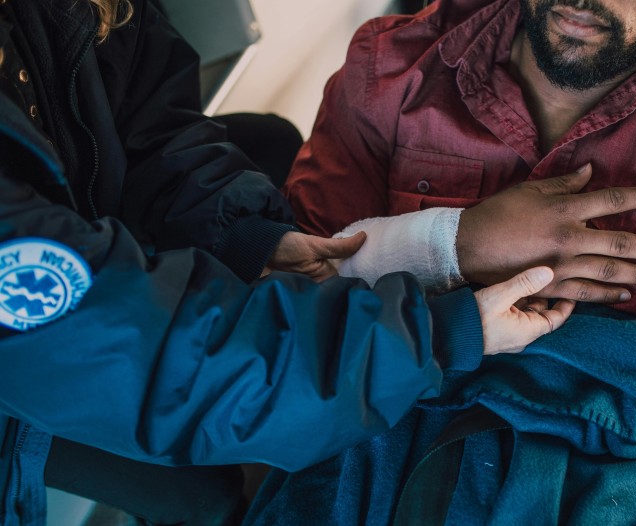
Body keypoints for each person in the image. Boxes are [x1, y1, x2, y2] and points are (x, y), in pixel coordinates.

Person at [0, 0, 596, 524]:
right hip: (45, 368)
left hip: (89, 281)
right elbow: (140, 354)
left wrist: (251, 237)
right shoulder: (389, 63)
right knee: (203, 495)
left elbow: (147, 121)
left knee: (267, 141)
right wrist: (441, 327)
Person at [277, 0, 636, 523]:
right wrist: (457, 245)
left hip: (609, 468)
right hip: (382, 426)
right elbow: (287, 316)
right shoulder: (388, 71)